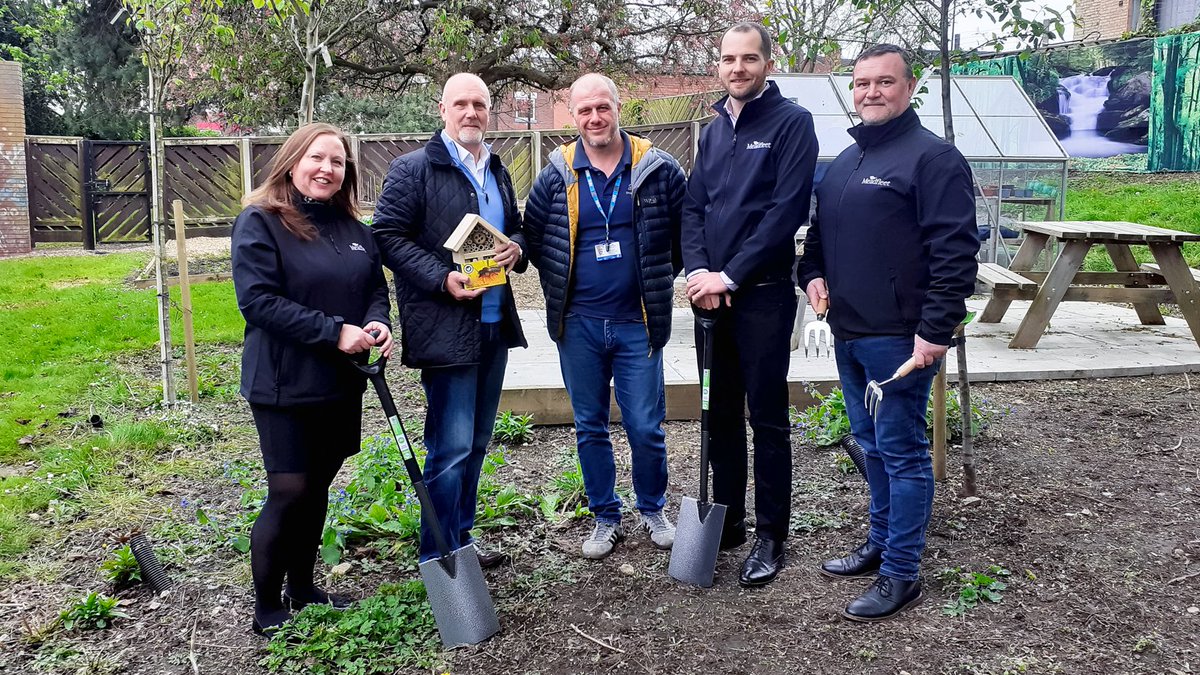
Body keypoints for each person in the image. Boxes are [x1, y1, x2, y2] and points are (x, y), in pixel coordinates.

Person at [796, 44, 979, 621]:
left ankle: (902, 572)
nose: (870, 92)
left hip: (900, 338)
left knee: (902, 452)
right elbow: (817, 240)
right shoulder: (846, 161)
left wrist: (936, 330)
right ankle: (880, 541)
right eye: (861, 83)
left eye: (883, 82)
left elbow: (956, 254)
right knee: (869, 443)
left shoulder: (933, 160)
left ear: (909, 87)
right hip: (848, 331)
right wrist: (813, 275)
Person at [231, 122, 393, 636]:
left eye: (338, 162)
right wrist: (333, 332)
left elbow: (373, 287)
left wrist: (376, 322)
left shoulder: (353, 228)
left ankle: (302, 586)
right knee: (290, 489)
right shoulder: (261, 221)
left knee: (319, 485)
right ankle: (266, 606)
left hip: (340, 380)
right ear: (292, 162)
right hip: (284, 382)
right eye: (317, 158)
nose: (327, 169)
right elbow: (258, 303)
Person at [523, 73, 687, 560]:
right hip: (579, 324)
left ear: (618, 107)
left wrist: (655, 279)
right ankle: (605, 517)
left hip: (638, 322)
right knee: (589, 425)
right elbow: (535, 237)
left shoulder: (658, 168)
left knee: (645, 425)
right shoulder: (556, 173)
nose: (595, 118)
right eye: (584, 111)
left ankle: (653, 509)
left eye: (603, 108)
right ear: (573, 116)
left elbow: (684, 235)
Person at [681, 22, 818, 587]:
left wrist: (729, 275)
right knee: (719, 414)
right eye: (728, 59)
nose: (738, 68)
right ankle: (729, 517)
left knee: (766, 419)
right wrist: (697, 273)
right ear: (719, 65)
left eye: (749, 59)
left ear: (768, 62)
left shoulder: (792, 124)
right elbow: (693, 209)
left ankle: (770, 533)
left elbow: (784, 214)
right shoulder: (712, 131)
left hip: (759, 300)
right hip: (710, 303)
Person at [372, 73, 526, 568]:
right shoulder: (412, 169)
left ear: (489, 110)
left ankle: (460, 537)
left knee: (478, 442)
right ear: (442, 109)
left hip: (494, 322)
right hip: (446, 326)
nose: (470, 113)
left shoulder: (497, 169)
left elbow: (514, 229)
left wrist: (516, 249)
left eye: (479, 104)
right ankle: (439, 557)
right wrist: (442, 279)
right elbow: (388, 238)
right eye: (460, 104)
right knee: (450, 446)